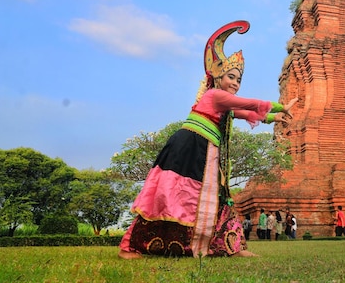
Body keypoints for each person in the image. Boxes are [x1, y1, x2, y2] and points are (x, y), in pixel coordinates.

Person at [118, 21, 298, 259]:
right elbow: (247, 104)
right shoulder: (215, 95)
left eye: (238, 80)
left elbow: (246, 113)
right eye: (231, 77)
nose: (235, 83)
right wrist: (279, 105)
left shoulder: (223, 104)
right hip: (190, 147)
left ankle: (228, 247)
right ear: (219, 76)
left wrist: (277, 117)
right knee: (172, 195)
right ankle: (129, 247)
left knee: (215, 199)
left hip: (206, 151)